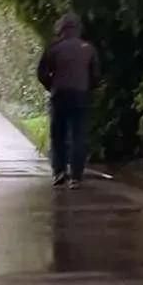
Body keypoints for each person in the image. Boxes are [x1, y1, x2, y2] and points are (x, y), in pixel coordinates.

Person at [36, 13, 99, 188]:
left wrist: (51, 86)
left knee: (58, 135)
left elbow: (41, 73)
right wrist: (87, 88)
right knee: (78, 135)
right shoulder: (88, 48)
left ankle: (59, 172)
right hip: (80, 95)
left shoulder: (54, 49)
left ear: (60, 29)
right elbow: (95, 76)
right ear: (78, 29)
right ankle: (76, 177)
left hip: (59, 95)